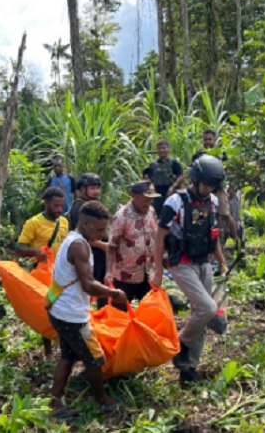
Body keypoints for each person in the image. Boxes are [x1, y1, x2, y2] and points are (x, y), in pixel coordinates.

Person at [46, 200, 127, 418]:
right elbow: (88, 285)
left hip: (61, 311)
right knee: (95, 358)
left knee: (68, 356)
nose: (103, 233)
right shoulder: (79, 246)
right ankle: (102, 399)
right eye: (100, 229)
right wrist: (113, 293)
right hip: (71, 316)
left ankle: (55, 402)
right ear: (85, 223)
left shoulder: (76, 240)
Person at [153, 155, 226, 383]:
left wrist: (221, 261)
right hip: (180, 261)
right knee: (206, 308)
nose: (208, 189)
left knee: (202, 316)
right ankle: (181, 343)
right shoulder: (174, 202)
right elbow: (159, 236)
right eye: (206, 184)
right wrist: (157, 270)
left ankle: (188, 368)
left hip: (203, 259)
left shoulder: (212, 201)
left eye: (213, 185)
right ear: (195, 179)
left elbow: (214, 235)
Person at [15, 187, 70, 357]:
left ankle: (65, 348)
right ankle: (48, 351)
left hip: (62, 274)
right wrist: (36, 253)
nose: (59, 210)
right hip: (42, 274)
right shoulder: (34, 223)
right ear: (46, 203)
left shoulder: (64, 222)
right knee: (46, 311)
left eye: (61, 206)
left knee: (65, 310)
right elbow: (19, 247)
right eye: (55, 206)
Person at [102, 181, 160, 311]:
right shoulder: (122, 216)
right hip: (125, 276)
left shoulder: (151, 212)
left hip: (147, 273)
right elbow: (111, 247)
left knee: (150, 312)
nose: (148, 203)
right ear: (134, 196)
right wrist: (109, 272)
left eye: (150, 200)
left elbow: (156, 239)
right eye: (145, 199)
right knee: (119, 314)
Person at [192, 130, 237, 268]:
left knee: (226, 215)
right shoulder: (198, 155)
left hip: (218, 190)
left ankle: (237, 242)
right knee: (200, 219)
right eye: (205, 139)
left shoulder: (221, 154)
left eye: (210, 140)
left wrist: (233, 188)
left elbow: (230, 171)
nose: (207, 142)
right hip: (202, 193)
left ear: (215, 140)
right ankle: (200, 249)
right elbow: (193, 173)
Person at [143, 140, 184, 216]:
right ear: (156, 150)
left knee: (172, 214)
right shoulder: (153, 164)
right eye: (159, 148)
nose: (162, 150)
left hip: (170, 193)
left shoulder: (173, 162)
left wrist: (173, 186)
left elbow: (181, 176)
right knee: (157, 215)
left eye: (164, 148)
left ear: (168, 149)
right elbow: (149, 178)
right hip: (157, 194)